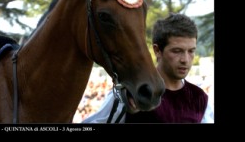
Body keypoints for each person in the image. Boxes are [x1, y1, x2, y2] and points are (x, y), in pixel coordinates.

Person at [83, 13, 214, 123]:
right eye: (177, 51)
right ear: (157, 50)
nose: (185, 59)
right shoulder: (133, 93)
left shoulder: (200, 99)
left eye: (191, 51)